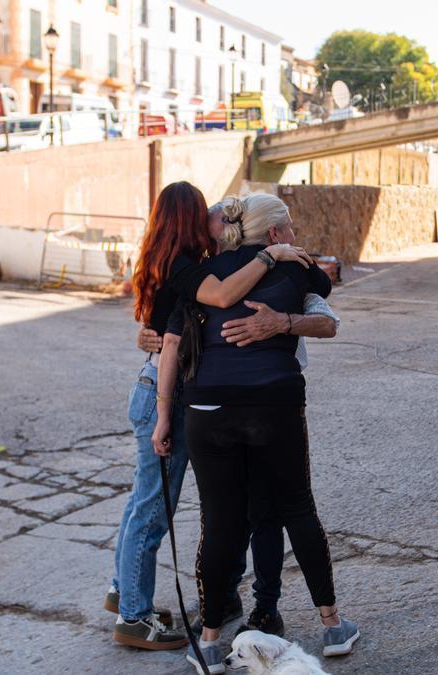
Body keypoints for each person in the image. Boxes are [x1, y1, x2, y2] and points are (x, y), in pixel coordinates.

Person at [157, 194, 359, 674]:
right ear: (273, 234)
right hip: (273, 403)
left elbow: (170, 343)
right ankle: (333, 626)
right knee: (296, 508)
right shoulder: (295, 270)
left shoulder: (202, 275)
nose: (294, 234)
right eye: (288, 226)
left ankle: (208, 643)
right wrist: (291, 274)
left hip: (207, 409)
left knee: (220, 523)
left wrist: (165, 416)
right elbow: (322, 294)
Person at [107, 182, 314, 651]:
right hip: (166, 393)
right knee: (153, 507)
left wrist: (149, 335)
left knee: (153, 501)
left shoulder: (174, 261)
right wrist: (270, 255)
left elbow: (161, 328)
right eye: (207, 214)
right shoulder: (187, 268)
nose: (214, 221)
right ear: (189, 219)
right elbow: (218, 300)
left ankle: (125, 590)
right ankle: (132, 615)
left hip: (169, 388)